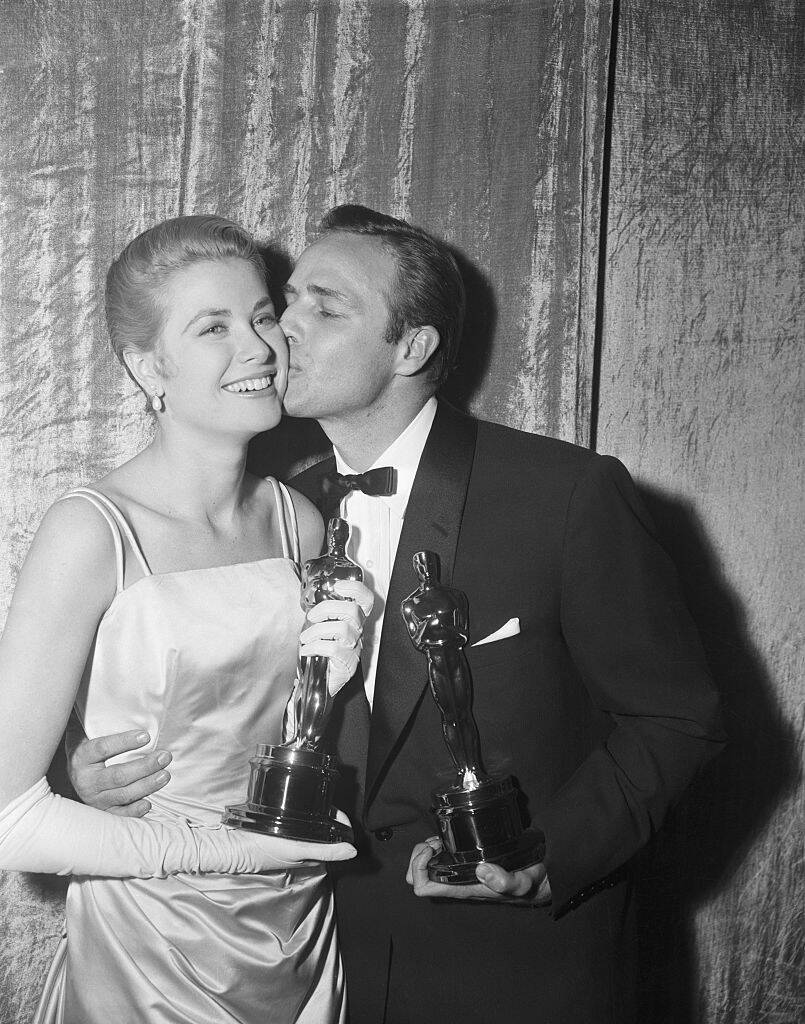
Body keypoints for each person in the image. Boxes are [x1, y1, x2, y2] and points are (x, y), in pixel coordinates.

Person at [68, 206, 725, 1023]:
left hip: (520, 975)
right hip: (314, 968)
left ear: (412, 347)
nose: (281, 334)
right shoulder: (276, 518)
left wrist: (549, 856)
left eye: (325, 308)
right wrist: (92, 772)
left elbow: (676, 717)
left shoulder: (563, 496)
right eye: (285, 302)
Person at [0, 215, 375, 1024]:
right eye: (213, 327)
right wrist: (232, 849)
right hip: (151, 953)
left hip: (297, 931)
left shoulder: (298, 521)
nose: (259, 347)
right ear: (147, 367)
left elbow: (290, 728)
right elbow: (8, 821)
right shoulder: (91, 531)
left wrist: (345, 671)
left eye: (262, 315)